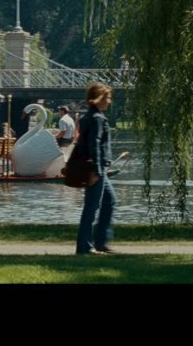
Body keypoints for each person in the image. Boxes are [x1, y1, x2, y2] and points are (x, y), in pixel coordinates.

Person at [75, 82, 115, 255]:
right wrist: (97, 170)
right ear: (99, 98)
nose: (109, 101)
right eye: (107, 98)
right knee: (91, 207)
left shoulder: (90, 116)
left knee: (109, 201)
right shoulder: (97, 119)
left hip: (99, 169)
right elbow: (95, 145)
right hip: (96, 170)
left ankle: (100, 242)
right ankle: (84, 246)